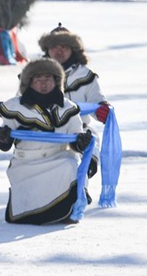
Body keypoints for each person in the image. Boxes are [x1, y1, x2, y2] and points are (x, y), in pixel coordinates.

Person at [0, 57, 92, 225]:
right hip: (26, 162)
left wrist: (81, 142)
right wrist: (3, 138)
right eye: (37, 80)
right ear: (29, 83)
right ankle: (30, 215)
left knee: (71, 165)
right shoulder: (15, 107)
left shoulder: (68, 108)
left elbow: (76, 136)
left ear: (56, 81)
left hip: (58, 158)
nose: (43, 84)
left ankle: (66, 213)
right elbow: (4, 144)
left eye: (48, 79)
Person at [39, 23, 112, 177]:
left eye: (64, 46)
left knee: (82, 158)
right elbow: (21, 105)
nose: (59, 50)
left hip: (80, 134)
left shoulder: (86, 75)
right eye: (54, 46)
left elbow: (97, 100)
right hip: (43, 135)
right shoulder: (34, 75)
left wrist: (103, 110)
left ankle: (79, 191)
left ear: (73, 49)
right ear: (47, 49)